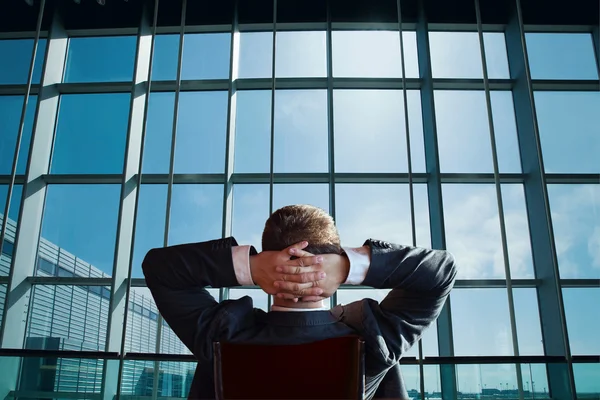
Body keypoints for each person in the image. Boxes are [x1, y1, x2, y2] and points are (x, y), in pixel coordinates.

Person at [142, 204, 457, 399]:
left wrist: (251, 267)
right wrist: (349, 265)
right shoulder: (374, 342)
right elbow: (441, 272)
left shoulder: (221, 335)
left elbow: (160, 268)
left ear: (269, 262)